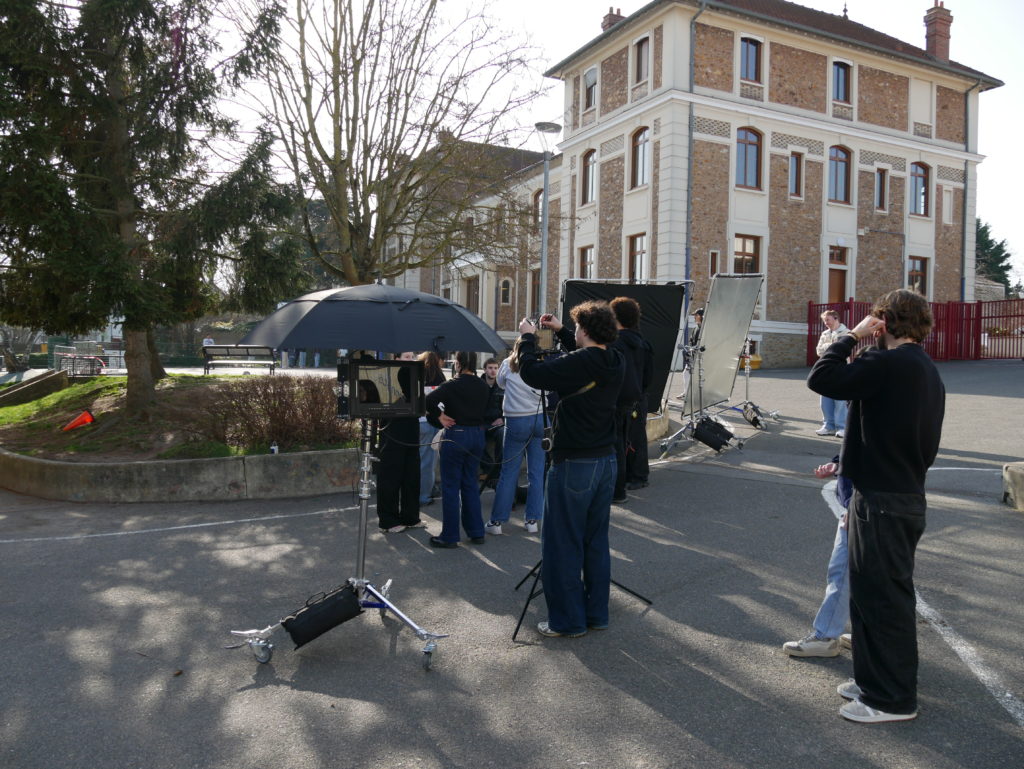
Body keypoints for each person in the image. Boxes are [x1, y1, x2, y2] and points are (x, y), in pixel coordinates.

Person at [808, 288, 945, 724]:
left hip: (885, 499)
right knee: (870, 597)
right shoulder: (923, 367)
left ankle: (891, 699)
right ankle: (873, 682)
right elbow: (881, 429)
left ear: (883, 322)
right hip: (895, 494)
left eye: (875, 321)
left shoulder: (888, 363)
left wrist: (851, 335)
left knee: (884, 601)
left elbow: (822, 378)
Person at [518, 301, 625, 638]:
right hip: (605, 461)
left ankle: (567, 621)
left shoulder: (583, 361)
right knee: (595, 542)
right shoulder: (615, 358)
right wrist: (562, 331)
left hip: (575, 462)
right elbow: (581, 358)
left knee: (562, 543)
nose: (574, 331)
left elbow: (533, 374)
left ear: (587, 330)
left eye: (577, 326)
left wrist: (527, 339)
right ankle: (596, 614)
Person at [782, 455, 853, 658]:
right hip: (878, 503)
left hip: (869, 504)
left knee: (843, 572)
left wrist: (857, 504)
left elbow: (876, 453)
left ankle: (825, 637)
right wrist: (839, 463)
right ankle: (871, 635)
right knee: (870, 575)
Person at [424, 351, 490, 548]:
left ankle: (450, 535)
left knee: (451, 487)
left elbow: (428, 400)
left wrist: (440, 416)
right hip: (477, 435)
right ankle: (476, 531)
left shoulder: (452, 384)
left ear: (458, 363)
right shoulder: (483, 385)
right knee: (470, 483)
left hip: (456, 434)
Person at [485, 338, 545, 536]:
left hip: (516, 419)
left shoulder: (507, 364)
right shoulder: (541, 362)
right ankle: (532, 520)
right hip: (539, 418)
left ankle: (497, 521)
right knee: (536, 473)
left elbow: (501, 384)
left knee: (509, 472)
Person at [374, 352, 425, 533]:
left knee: (412, 476)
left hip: (411, 431)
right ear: (396, 359)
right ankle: (388, 520)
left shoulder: (415, 375)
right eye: (406, 357)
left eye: (412, 357)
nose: (410, 360)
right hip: (392, 432)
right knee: (390, 477)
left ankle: (411, 517)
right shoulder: (386, 377)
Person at [610, 297, 654, 492]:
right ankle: (638, 476)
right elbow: (649, 375)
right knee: (637, 438)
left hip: (621, 399)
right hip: (640, 397)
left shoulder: (615, 344)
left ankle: (629, 478)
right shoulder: (643, 342)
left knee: (621, 440)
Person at [417, 351, 447, 506]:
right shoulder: (439, 377)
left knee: (419, 459)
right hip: (431, 422)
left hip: (417, 421)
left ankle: (417, 491)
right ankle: (423, 495)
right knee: (428, 462)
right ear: (439, 360)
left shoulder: (417, 373)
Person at [815, 310, 849, 438]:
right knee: (825, 400)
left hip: (840, 369)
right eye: (824, 321)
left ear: (836, 318)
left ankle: (842, 427)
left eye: (827, 320)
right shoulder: (824, 333)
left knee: (840, 400)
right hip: (826, 369)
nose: (826, 323)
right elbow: (819, 351)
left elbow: (842, 350)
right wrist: (832, 345)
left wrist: (827, 346)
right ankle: (828, 426)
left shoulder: (846, 333)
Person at [479, 358, 505, 489]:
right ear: (484, 369)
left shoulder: (502, 386)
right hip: (481, 423)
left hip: (497, 422)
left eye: (495, 368)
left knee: (503, 434)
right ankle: (490, 469)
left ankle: (498, 470)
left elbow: (508, 405)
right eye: (490, 368)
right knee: (476, 438)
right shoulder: (478, 385)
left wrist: (502, 418)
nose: (493, 371)